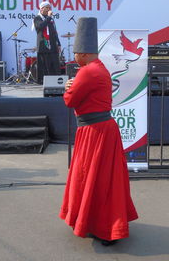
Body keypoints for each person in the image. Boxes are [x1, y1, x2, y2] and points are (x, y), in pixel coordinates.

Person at [59, 17, 138, 246]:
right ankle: (102, 223)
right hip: (102, 129)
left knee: (94, 179)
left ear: (81, 53)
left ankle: (103, 227)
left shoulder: (86, 72)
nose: (74, 57)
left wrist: (68, 88)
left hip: (94, 132)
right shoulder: (100, 67)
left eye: (75, 53)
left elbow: (70, 100)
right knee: (105, 180)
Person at [33, 1, 61, 84]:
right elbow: (40, 27)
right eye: (47, 7)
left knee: (54, 63)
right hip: (43, 45)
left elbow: (54, 32)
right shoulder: (37, 18)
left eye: (50, 8)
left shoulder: (51, 19)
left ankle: (56, 81)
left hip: (52, 44)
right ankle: (42, 81)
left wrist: (58, 43)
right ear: (41, 9)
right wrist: (48, 17)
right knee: (44, 65)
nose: (49, 9)